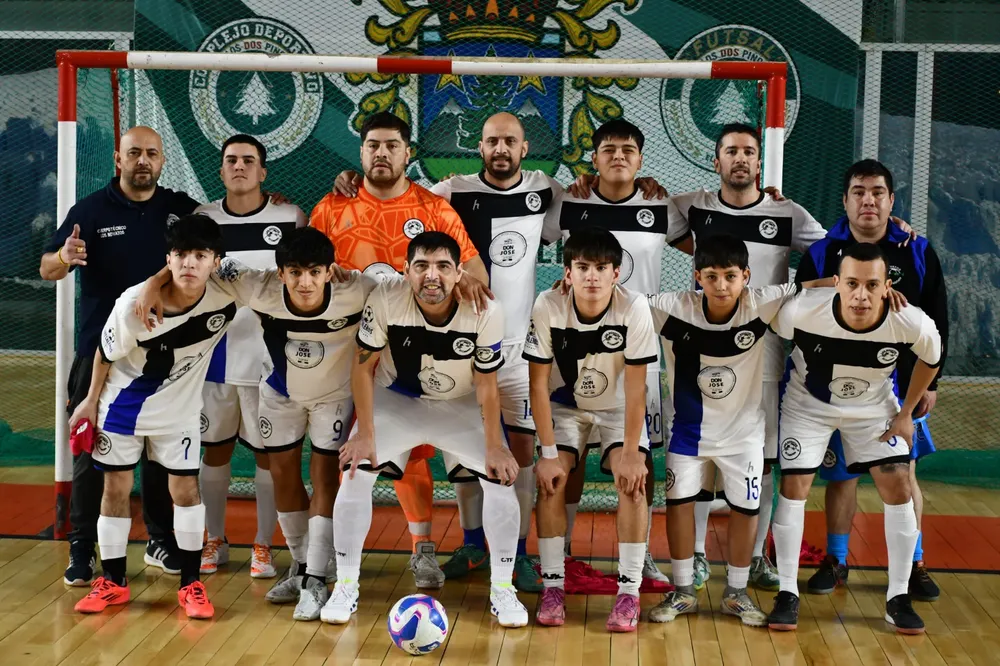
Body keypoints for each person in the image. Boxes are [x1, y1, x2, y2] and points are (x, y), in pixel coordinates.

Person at [311, 111, 492, 589]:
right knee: (334, 454)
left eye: (392, 145)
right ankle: (319, 559)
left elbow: (476, 275)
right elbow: (306, 272)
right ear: (361, 152)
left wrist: (457, 293)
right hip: (342, 352)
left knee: (412, 456)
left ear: (407, 153)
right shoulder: (331, 208)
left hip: (408, 359)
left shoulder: (434, 210)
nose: (382, 153)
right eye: (373, 145)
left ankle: (422, 550)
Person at [324, 231, 528, 628]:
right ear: (405, 270)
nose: (431, 276)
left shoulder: (486, 309)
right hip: (396, 400)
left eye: (442, 267)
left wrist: (494, 446)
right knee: (354, 472)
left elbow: (487, 384)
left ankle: (503, 589)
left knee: (500, 479)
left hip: (460, 405)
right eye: (421, 266)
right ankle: (346, 585)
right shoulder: (386, 296)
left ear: (458, 273)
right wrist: (365, 434)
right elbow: (362, 367)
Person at [645, 234, 832, 627]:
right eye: (711, 276)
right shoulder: (671, 307)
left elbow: (809, 285)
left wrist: (850, 282)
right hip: (689, 435)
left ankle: (736, 592)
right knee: (678, 506)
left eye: (730, 276)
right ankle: (683, 591)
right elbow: (624, 303)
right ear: (697, 276)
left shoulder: (760, 302)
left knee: (746, 510)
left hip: (744, 436)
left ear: (746, 276)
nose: (721, 285)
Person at [40, 126, 194, 586]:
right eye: (134, 153)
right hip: (100, 353)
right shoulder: (90, 210)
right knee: (92, 452)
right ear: (118, 159)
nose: (143, 160)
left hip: (163, 356)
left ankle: (160, 539)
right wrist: (64, 256)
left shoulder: (179, 209)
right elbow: (47, 268)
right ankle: (82, 546)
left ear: (162, 161)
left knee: (158, 451)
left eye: (151, 153)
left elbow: (225, 222)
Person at [68, 214, 238, 619]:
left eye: (200, 256)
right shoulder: (134, 306)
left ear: (216, 262)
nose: (189, 263)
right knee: (116, 488)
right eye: (181, 255)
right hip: (122, 407)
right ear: (169, 259)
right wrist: (89, 401)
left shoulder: (228, 292)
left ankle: (192, 584)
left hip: (179, 412)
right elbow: (104, 354)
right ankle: (113, 582)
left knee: (186, 492)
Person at [767, 242, 943, 634]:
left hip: (873, 410)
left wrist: (905, 414)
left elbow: (931, 358)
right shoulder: (801, 311)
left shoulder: (910, 321)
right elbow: (768, 319)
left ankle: (898, 597)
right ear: (837, 283)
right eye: (851, 284)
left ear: (887, 287)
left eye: (872, 285)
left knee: (899, 485)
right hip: (808, 406)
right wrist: (809, 286)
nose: (861, 295)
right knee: (794, 486)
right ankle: (787, 593)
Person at [795, 159, 949, 602]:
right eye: (859, 192)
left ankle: (914, 564)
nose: (869, 200)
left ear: (891, 200)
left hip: (899, 389)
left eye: (878, 192)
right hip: (834, 387)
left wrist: (931, 384)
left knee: (903, 474)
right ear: (844, 200)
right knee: (841, 476)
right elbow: (799, 310)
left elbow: (938, 320)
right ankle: (836, 559)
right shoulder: (822, 252)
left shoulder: (917, 250)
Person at [201, 227, 374, 620]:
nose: (305, 282)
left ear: (330, 271)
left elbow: (405, 289)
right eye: (295, 272)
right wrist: (152, 286)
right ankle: (301, 566)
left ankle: (316, 578)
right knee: (282, 475)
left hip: (334, 397)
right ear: (280, 273)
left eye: (314, 272)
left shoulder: (358, 289)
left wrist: (464, 281)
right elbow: (207, 266)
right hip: (279, 395)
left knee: (325, 476)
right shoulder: (258, 287)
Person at [543, 119, 683, 588]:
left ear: (641, 159)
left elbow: (710, 234)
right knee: (571, 453)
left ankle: (640, 559)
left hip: (637, 353)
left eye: (628, 149)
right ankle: (562, 554)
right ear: (594, 158)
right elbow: (524, 235)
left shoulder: (660, 204)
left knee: (638, 458)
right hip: (574, 349)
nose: (618, 156)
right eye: (608, 149)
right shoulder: (571, 201)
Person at [527, 227, 658, 632]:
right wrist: (549, 456)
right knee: (552, 481)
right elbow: (537, 385)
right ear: (567, 272)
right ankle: (553, 587)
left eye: (601, 268)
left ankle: (629, 592)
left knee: (633, 483)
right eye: (582, 267)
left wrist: (632, 454)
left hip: (618, 409)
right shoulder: (548, 305)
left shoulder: (634, 307)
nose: (592, 276)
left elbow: (636, 387)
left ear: (616, 273)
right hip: (566, 407)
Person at [193, 134, 307, 580]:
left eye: (248, 160)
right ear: (221, 170)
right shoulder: (202, 219)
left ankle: (264, 544)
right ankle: (214, 539)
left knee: (268, 456)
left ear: (263, 171)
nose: (239, 166)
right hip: (215, 358)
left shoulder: (289, 217)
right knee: (214, 451)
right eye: (231, 160)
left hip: (269, 360)